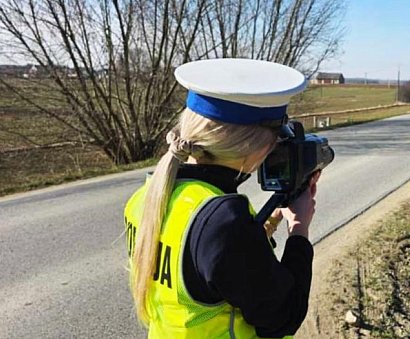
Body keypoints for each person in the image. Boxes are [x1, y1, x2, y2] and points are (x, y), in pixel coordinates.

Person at [124, 59, 320, 338]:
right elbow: (283, 316)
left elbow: (206, 267)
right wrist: (299, 229)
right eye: (275, 140)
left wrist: (270, 222)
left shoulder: (146, 197)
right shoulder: (224, 221)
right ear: (251, 145)